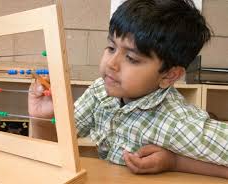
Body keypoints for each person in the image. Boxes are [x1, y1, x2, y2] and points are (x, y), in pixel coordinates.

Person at [29, 0, 228, 178]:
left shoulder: (178, 123)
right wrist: (41, 120)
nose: (111, 64)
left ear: (169, 75)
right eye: (111, 48)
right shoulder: (100, 92)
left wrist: (175, 162)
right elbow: (55, 152)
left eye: (131, 58)